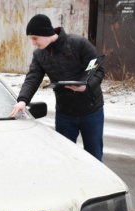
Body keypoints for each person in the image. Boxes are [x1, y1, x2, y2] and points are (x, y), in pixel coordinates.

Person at [10, 14, 105, 162]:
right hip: (65, 114)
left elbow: (98, 70)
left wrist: (85, 87)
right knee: (64, 157)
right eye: (31, 39)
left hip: (91, 111)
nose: (33, 43)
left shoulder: (78, 43)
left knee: (94, 156)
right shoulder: (39, 55)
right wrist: (23, 100)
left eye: (35, 38)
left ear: (45, 33)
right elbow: (32, 78)